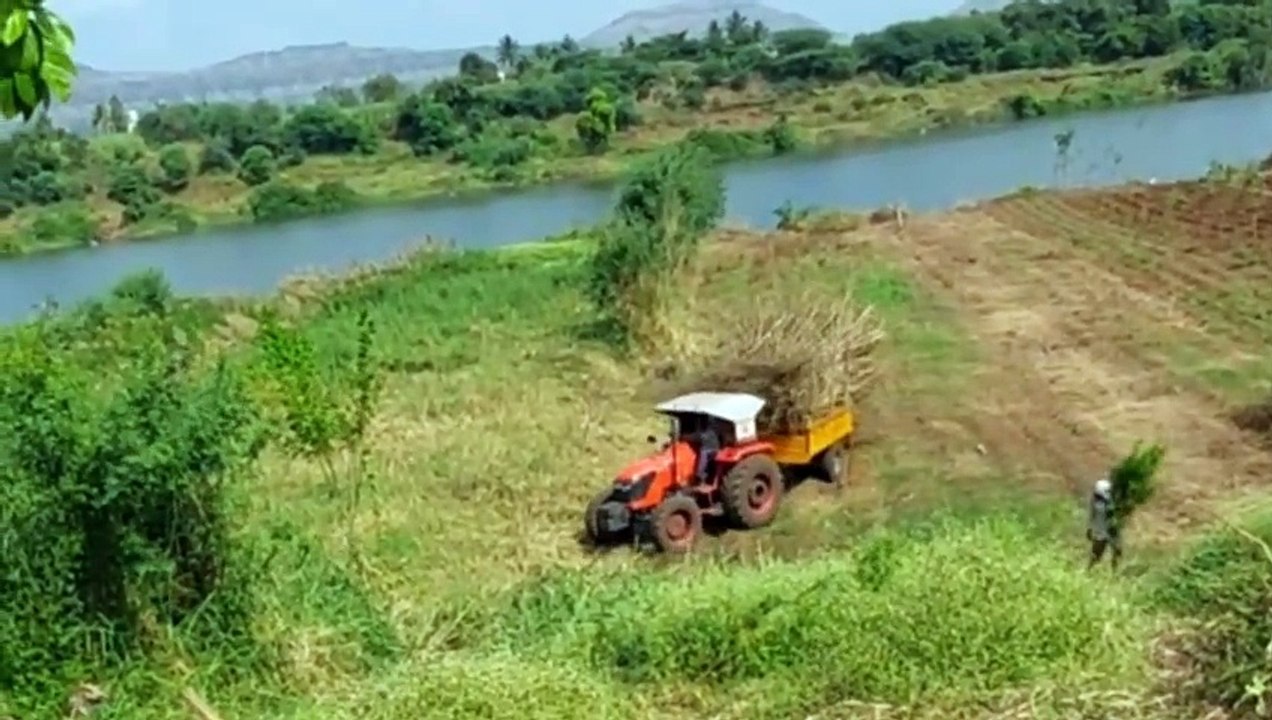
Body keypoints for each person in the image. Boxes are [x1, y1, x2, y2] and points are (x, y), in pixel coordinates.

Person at [1087, 476, 1122, 570]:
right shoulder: (1106, 505)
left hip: (1099, 533)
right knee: (1115, 554)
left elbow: (1091, 517)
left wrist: (1089, 529)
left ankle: (1088, 572)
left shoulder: (1095, 503)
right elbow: (1112, 520)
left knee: (1095, 557)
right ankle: (1114, 573)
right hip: (1107, 533)